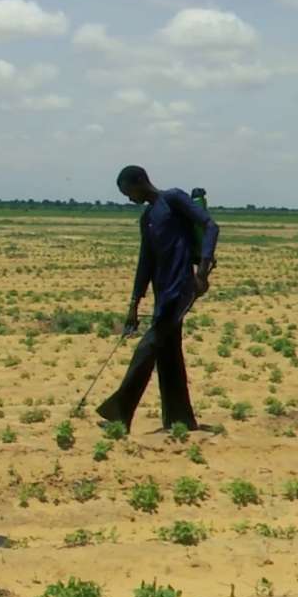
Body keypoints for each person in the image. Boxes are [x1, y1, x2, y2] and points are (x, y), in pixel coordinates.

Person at [96, 165, 219, 433]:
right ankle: (180, 421)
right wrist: (134, 304)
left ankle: (118, 415)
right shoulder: (147, 217)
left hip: (183, 288)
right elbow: (145, 263)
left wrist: (202, 272)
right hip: (163, 294)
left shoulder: (173, 199)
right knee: (168, 355)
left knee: (148, 347)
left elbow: (210, 225)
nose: (129, 198)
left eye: (128, 192)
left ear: (140, 181)